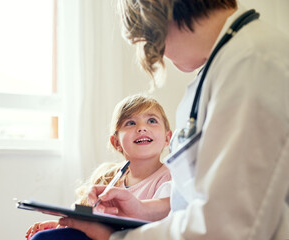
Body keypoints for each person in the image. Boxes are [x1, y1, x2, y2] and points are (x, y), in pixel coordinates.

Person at [58, 0, 289, 239]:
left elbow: (225, 226)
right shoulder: (226, 63)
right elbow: (192, 204)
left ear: (156, 18)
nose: (158, 53)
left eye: (148, 40)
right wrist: (141, 209)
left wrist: (111, 238)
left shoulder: (254, 64)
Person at [26, 94, 173, 240]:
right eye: (131, 123)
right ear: (116, 143)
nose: (142, 128)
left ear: (168, 138)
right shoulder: (110, 178)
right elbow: (92, 222)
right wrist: (65, 224)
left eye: (152, 121)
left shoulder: (170, 178)